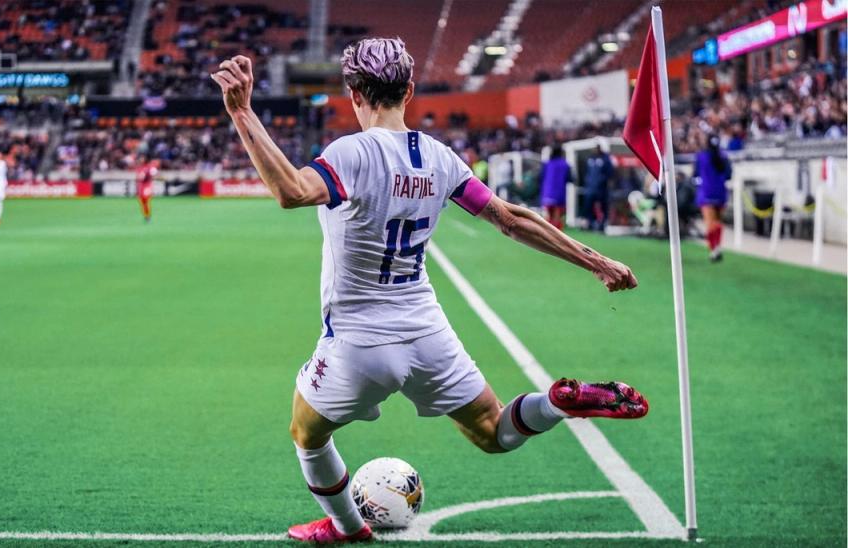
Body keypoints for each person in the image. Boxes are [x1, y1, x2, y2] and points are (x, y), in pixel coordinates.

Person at [210, 38, 645, 545]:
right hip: (427, 332)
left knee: (307, 434)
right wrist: (596, 261)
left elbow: (291, 191)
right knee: (494, 430)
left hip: (359, 341)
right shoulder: (438, 157)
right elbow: (510, 219)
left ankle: (348, 528)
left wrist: (243, 113)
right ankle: (555, 402)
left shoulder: (351, 152)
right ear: (409, 91)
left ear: (354, 93)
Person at [694, 135, 732, 262]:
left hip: (706, 192)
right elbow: (728, 175)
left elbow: (696, 174)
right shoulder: (724, 156)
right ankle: (718, 247)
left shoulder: (701, 156)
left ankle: (713, 250)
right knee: (718, 222)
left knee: (709, 223)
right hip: (720, 192)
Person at [582, 143, 615, 232]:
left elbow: (610, 173)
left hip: (602, 188)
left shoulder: (606, 158)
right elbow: (586, 172)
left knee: (603, 206)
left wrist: (605, 182)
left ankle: (602, 224)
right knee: (588, 206)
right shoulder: (590, 158)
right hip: (590, 188)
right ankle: (590, 223)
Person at [539, 144, 572, 230]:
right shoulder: (565, 165)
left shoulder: (547, 164)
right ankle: (556, 236)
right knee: (557, 217)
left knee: (549, 217)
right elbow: (570, 178)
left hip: (546, 193)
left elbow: (541, 177)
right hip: (559, 194)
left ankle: (547, 234)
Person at [135, 155, 158, 222]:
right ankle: (146, 216)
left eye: (142, 159)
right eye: (140, 159)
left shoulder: (149, 167)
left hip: (147, 185)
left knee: (146, 198)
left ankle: (148, 216)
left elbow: (155, 173)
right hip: (141, 185)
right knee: (143, 202)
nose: (141, 160)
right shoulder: (139, 168)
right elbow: (138, 177)